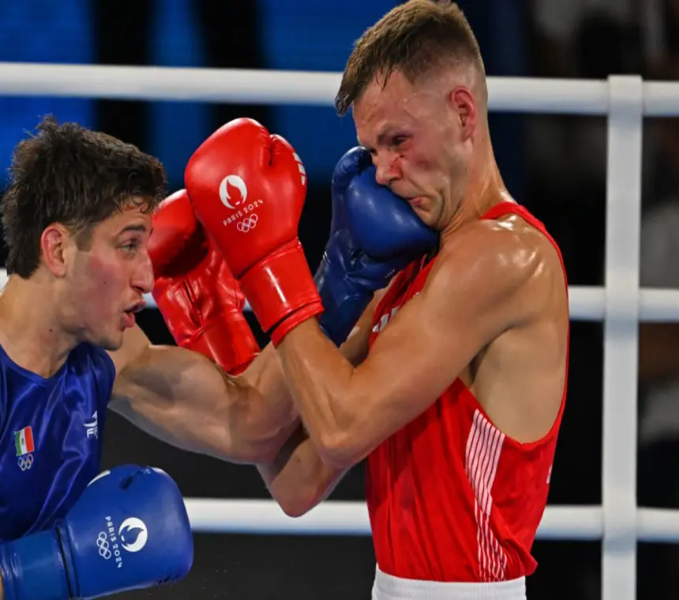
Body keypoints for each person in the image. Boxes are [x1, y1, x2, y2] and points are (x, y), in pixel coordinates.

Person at [185, 1, 570, 597]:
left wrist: (271, 264)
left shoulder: (503, 256)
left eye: (398, 140)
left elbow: (340, 430)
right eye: (371, 150)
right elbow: (295, 481)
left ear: (463, 113)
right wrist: (234, 323)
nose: (384, 172)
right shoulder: (410, 265)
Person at [0, 115, 306, 600]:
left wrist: (344, 278)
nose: (147, 277)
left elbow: (251, 424)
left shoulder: (104, 357)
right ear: (57, 249)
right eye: (129, 245)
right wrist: (63, 567)